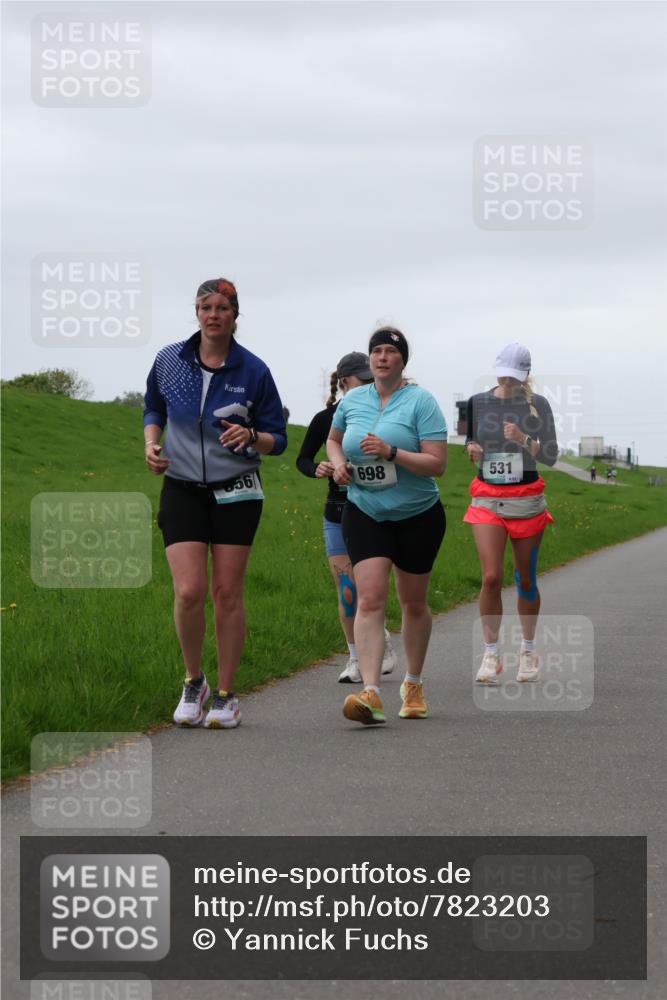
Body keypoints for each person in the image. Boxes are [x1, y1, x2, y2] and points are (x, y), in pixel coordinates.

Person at [143, 278, 287, 729]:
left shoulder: (253, 370)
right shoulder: (170, 360)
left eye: (222, 307)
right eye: (205, 306)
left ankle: (226, 694)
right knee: (188, 591)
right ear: (197, 312)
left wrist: (252, 436)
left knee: (227, 593)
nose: (213, 314)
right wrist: (150, 443)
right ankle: (194, 681)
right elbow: (152, 407)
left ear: (234, 315)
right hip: (182, 487)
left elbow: (278, 440)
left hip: (237, 490)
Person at [327, 327, 447, 725]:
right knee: (370, 599)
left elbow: (437, 464)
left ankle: (412, 683)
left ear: (402, 361)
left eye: (390, 352)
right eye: (376, 351)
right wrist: (340, 464)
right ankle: (372, 692)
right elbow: (333, 440)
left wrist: (392, 452)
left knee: (412, 602)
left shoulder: (421, 402)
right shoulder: (353, 400)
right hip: (366, 511)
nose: (381, 357)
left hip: (417, 514)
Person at [296, 353, 398, 683]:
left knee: (369, 589)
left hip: (375, 512)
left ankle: (380, 641)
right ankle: (355, 658)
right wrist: (319, 468)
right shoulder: (326, 419)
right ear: (344, 383)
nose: (369, 385)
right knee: (346, 589)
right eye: (362, 380)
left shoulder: (383, 413)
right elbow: (302, 459)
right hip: (338, 512)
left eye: (372, 379)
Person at [464, 342, 558, 685]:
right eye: (503, 373)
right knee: (491, 577)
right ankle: (491, 654)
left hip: (526, 499)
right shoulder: (476, 402)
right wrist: (471, 448)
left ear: (525, 376)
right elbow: (469, 441)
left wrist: (523, 439)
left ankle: (528, 649)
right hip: (488, 497)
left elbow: (550, 455)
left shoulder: (538, 406)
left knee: (525, 578)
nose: (508, 380)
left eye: (515, 376)